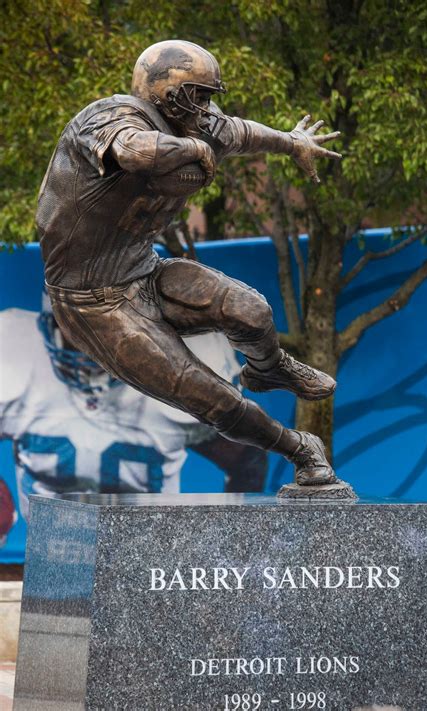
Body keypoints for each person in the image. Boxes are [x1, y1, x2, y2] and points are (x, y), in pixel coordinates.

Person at [37, 40, 342, 486]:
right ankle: (301, 449)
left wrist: (291, 142)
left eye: (208, 95)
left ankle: (267, 366)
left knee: (250, 311)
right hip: (93, 301)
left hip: (144, 270)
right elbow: (133, 152)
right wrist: (193, 151)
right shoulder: (107, 116)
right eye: (197, 94)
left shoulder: (200, 123)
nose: (205, 106)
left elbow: (243, 132)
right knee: (213, 398)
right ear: (166, 90)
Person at [0, 301, 267, 523]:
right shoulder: (16, 353)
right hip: (53, 552)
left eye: (105, 325)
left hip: (147, 551)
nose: (92, 341)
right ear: (53, 317)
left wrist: (232, 536)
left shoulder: (177, 370)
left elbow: (246, 456)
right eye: (77, 324)